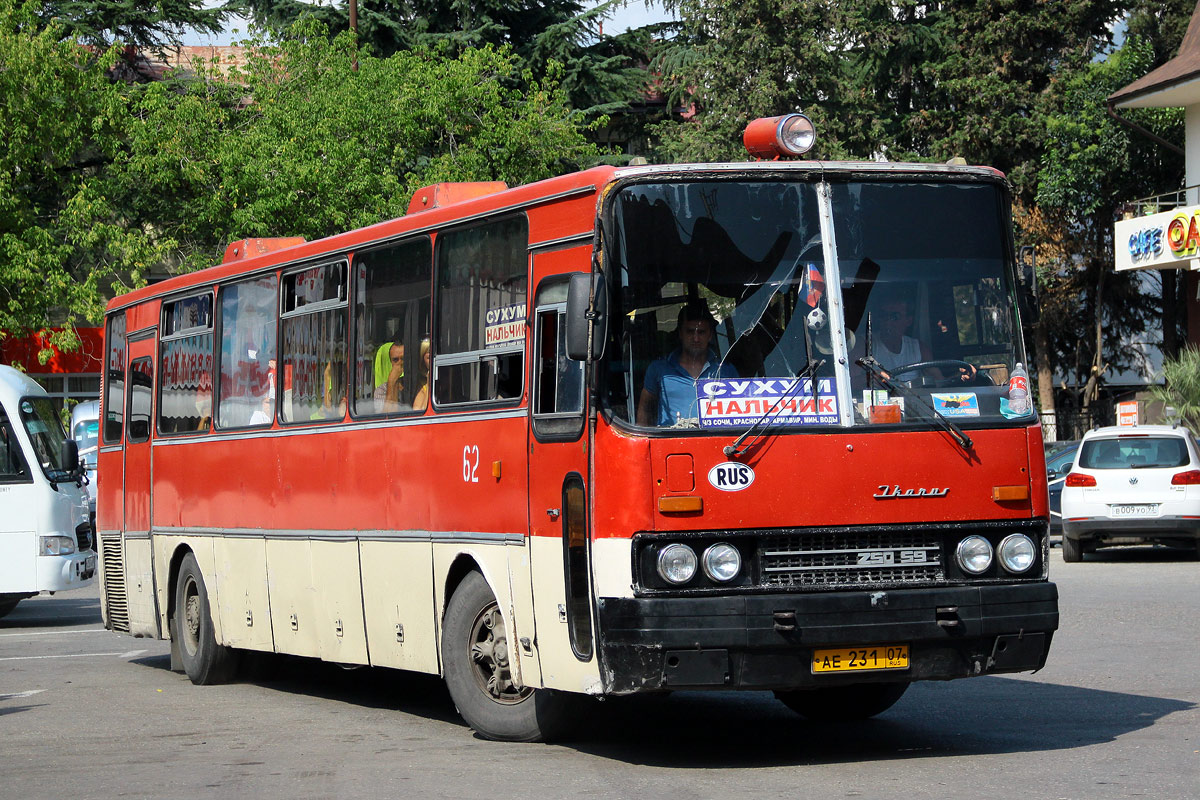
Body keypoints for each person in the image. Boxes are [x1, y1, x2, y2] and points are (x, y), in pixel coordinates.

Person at [637, 301, 738, 427]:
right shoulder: (659, 369)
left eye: (701, 332)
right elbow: (644, 409)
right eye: (690, 332)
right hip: (670, 444)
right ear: (680, 334)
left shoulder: (725, 370)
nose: (695, 338)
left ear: (710, 335)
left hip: (718, 444)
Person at [373, 341, 405, 413]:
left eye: (403, 358)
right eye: (395, 360)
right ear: (391, 362)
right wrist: (391, 382)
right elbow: (386, 418)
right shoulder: (381, 390)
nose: (400, 363)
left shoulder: (417, 384)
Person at [412, 339, 431, 411]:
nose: (433, 362)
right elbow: (419, 411)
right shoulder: (422, 386)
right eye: (429, 358)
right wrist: (429, 386)